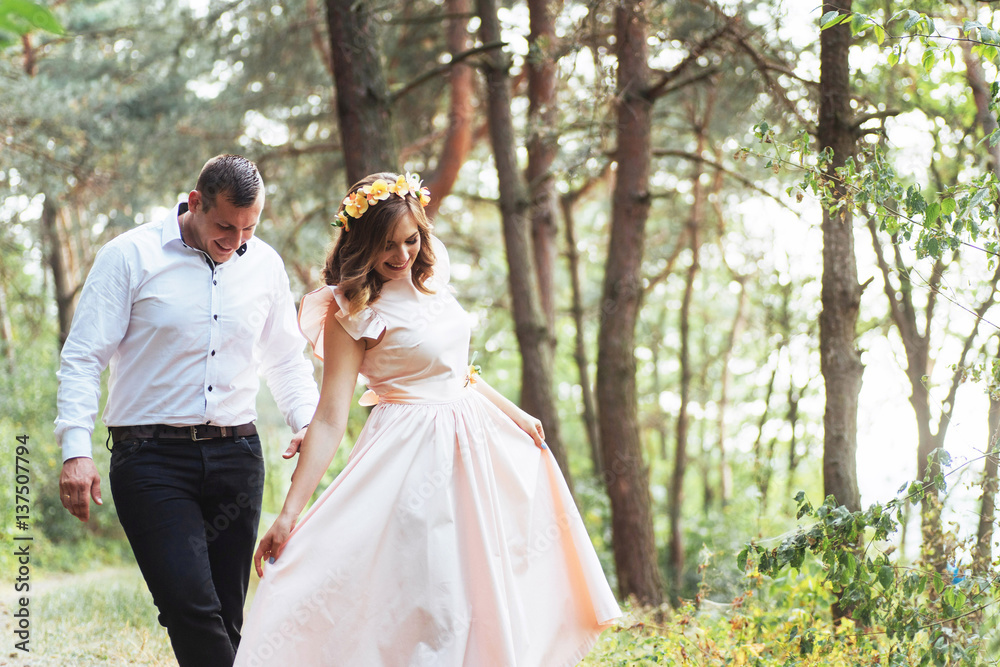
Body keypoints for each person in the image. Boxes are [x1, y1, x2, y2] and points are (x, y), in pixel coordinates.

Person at [233, 172, 620, 667]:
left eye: (411, 240)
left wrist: (513, 411)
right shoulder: (350, 310)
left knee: (478, 585)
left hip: (475, 442)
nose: (402, 255)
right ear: (362, 243)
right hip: (408, 453)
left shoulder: (433, 282)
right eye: (387, 245)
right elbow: (331, 417)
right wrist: (288, 514)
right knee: (427, 595)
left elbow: (454, 370)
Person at [55, 154, 320, 667]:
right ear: (194, 203)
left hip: (237, 455)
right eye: (225, 225)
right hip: (151, 459)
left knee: (227, 615)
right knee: (189, 605)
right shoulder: (129, 256)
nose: (236, 240)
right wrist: (75, 450)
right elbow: (83, 358)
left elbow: (286, 359)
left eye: (249, 227)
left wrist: (305, 421)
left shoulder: (264, 264)